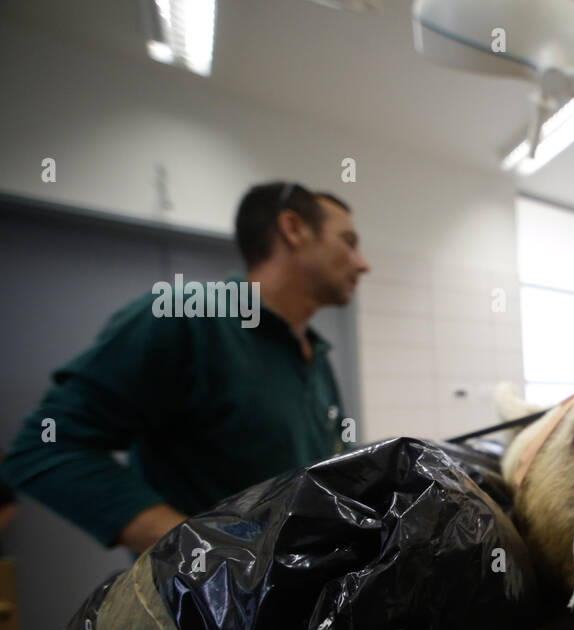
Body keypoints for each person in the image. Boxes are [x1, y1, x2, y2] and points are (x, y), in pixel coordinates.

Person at [1, 182, 371, 553]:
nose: (363, 264)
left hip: (298, 600)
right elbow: (45, 446)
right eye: (348, 242)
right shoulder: (187, 318)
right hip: (207, 608)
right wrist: (205, 553)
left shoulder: (314, 354)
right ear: (293, 229)